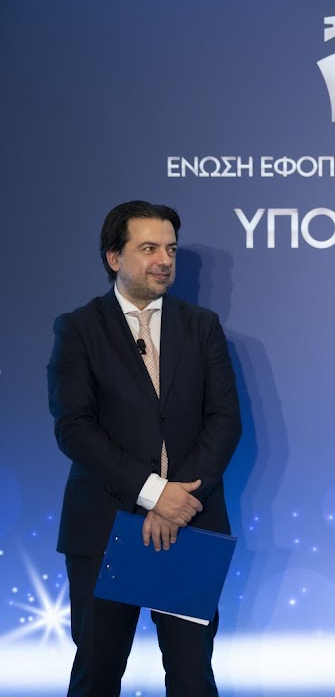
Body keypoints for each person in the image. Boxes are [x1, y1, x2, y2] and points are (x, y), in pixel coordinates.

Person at [47, 200, 242, 696]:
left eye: (171, 249)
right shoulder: (79, 328)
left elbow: (225, 420)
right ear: (114, 257)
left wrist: (178, 503)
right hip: (105, 527)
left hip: (189, 526)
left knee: (192, 677)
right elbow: (74, 427)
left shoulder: (202, 326)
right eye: (149, 248)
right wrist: (154, 494)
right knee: (96, 675)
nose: (164, 260)